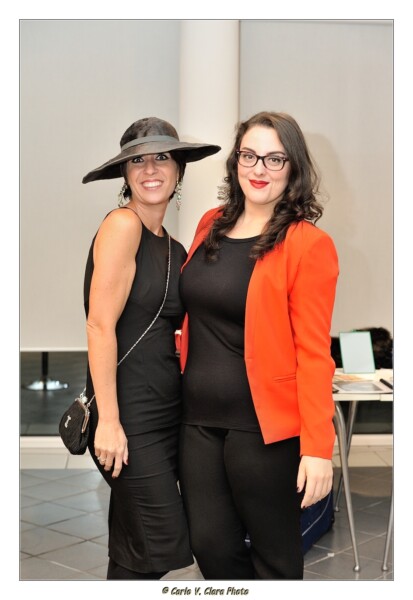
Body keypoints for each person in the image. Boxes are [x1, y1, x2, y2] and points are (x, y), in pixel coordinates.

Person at [178, 111, 339, 580]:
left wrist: (318, 448)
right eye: (249, 155)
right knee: (209, 544)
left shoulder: (307, 244)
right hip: (198, 420)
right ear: (236, 161)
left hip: (262, 429)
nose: (259, 169)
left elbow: (314, 353)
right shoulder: (210, 223)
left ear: (293, 168)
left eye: (274, 158)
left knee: (274, 559)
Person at [81, 116, 220, 580]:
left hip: (166, 414)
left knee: (135, 549)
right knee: (163, 538)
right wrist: (109, 422)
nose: (150, 169)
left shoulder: (175, 249)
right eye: (137, 161)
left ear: (179, 169)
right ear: (125, 174)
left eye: (162, 157)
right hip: (128, 417)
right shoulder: (123, 225)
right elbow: (100, 325)